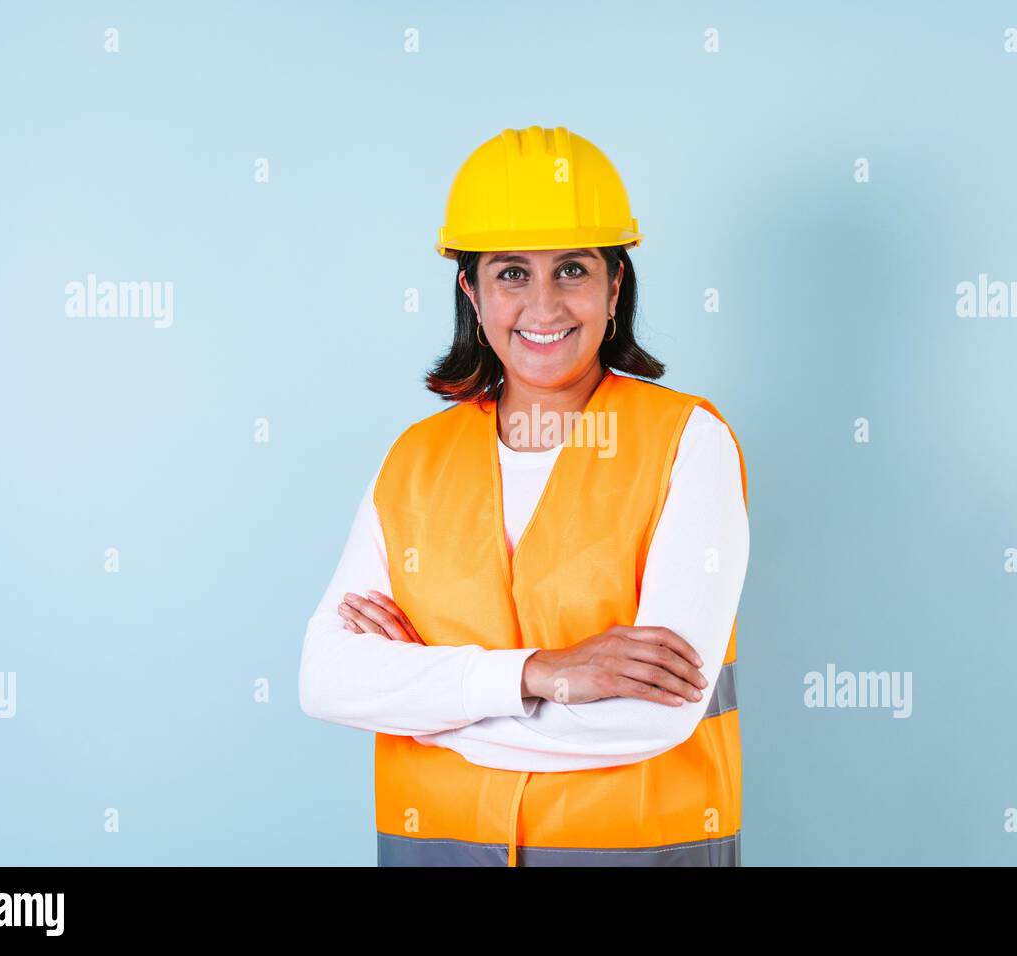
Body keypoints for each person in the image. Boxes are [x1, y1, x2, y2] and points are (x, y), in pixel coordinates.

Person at [299, 125, 749, 866]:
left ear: (615, 286)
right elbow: (326, 678)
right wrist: (540, 674)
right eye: (511, 273)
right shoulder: (416, 459)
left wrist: (426, 706)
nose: (543, 306)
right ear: (471, 292)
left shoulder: (688, 443)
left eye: (572, 269)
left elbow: (654, 717)